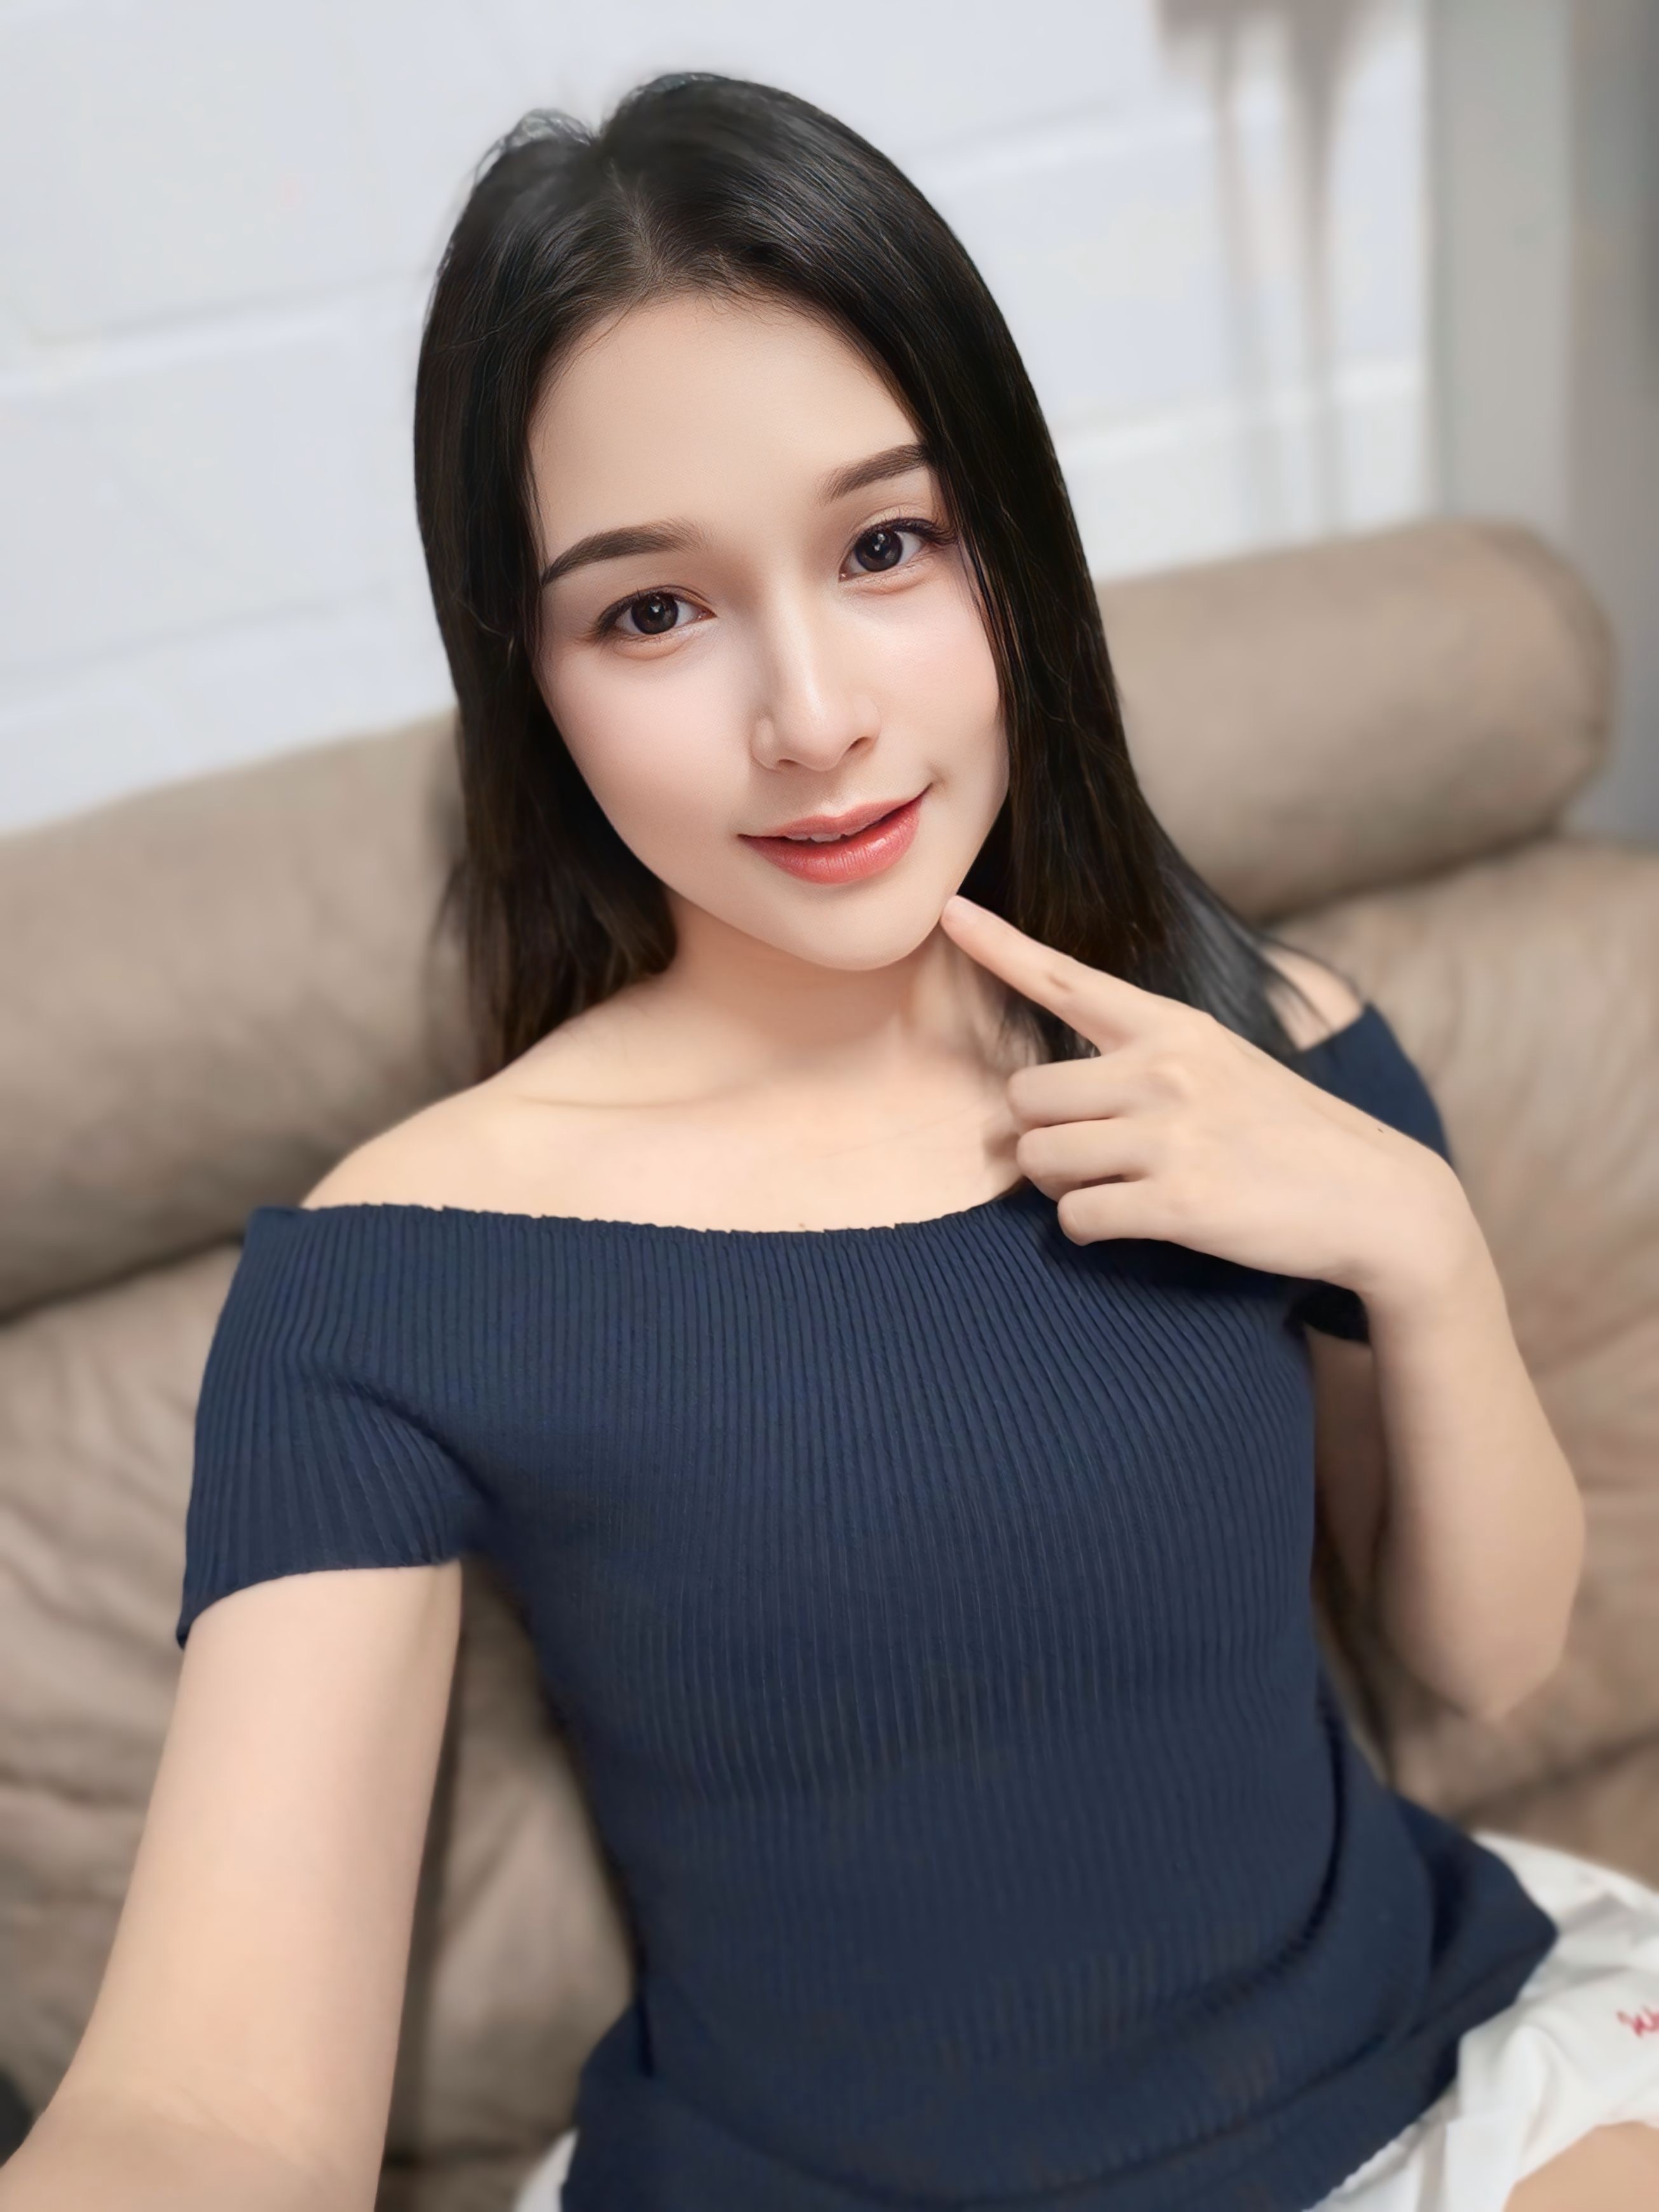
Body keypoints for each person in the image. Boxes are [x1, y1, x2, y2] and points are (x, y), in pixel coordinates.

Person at [4, 71, 1658, 2212]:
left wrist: (1415, 1243)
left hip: (1418, 2091)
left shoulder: (1254, 1042)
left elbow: (1484, 1658)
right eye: (651, 610)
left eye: (886, 547)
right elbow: (209, 2107)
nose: (811, 718)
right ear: (531, 679)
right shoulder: (393, 1278)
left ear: (1009, 550)